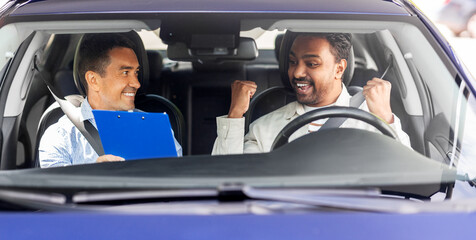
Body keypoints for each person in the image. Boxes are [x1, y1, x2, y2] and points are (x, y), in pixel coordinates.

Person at [212, 33, 410, 155]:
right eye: (292, 62)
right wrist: (235, 115)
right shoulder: (265, 127)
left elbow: (407, 176)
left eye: (312, 64)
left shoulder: (373, 120)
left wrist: (385, 118)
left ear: (339, 69)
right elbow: (226, 182)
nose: (297, 72)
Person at [39, 33, 182, 168]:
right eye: (125, 73)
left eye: (136, 73)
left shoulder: (156, 128)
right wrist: (95, 176)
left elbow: (177, 182)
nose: (136, 83)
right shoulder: (61, 136)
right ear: (93, 80)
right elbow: (53, 191)